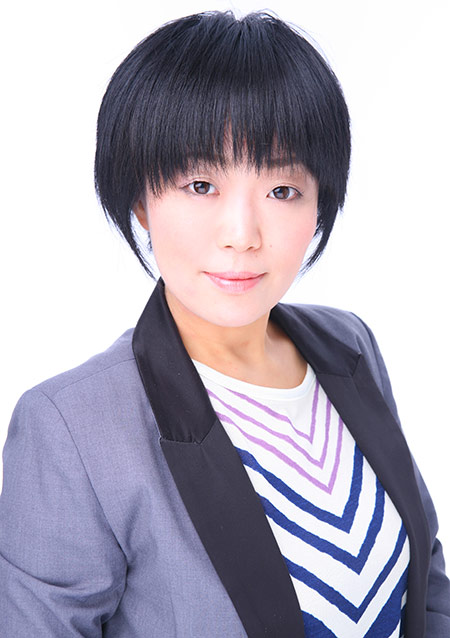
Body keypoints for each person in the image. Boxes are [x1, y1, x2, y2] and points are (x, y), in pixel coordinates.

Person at [0, 10, 449, 638]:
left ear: (321, 202)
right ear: (141, 200)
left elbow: (425, 582)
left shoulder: (349, 345)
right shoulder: (72, 428)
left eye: (282, 191)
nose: (242, 234)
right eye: (201, 184)